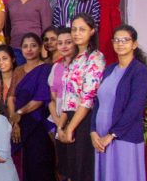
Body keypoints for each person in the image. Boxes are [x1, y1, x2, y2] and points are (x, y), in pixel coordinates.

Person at [91, 24, 147, 181]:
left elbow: (135, 107)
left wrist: (112, 134)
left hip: (124, 135)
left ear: (134, 44)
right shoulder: (109, 70)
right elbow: (98, 102)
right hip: (101, 136)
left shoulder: (139, 71)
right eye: (116, 40)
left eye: (125, 40)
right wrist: (93, 131)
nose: (120, 43)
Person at [56, 14, 105, 181]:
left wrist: (70, 128)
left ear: (92, 31)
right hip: (69, 118)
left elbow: (87, 99)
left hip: (84, 119)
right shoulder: (74, 58)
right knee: (71, 172)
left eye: (82, 29)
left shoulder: (95, 58)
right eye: (74, 29)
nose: (77, 33)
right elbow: (67, 97)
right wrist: (61, 127)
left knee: (83, 171)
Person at [7, 33, 55, 181]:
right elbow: (11, 97)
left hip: (38, 123)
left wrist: (20, 113)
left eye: (33, 45)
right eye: (25, 46)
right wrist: (14, 121)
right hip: (18, 124)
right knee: (22, 164)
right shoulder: (18, 70)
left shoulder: (46, 68)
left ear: (40, 48)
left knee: (39, 164)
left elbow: (40, 99)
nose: (29, 49)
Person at [6, 0, 52, 65]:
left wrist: (44, 49)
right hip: (15, 48)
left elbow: (47, 28)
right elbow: (7, 28)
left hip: (35, 48)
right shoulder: (11, 2)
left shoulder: (42, 1)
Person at [47, 27, 75, 131]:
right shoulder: (56, 67)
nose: (64, 46)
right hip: (57, 120)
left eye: (68, 42)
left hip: (75, 118)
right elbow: (52, 99)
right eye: (60, 43)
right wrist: (58, 123)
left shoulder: (80, 66)